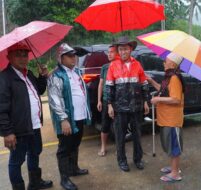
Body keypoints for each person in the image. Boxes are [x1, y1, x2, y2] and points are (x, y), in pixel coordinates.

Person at [0, 42, 53, 190]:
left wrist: (42, 77)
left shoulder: (28, 74)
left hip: (34, 125)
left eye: (25, 55)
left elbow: (39, 91)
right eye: (18, 55)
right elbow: (1, 108)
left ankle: (35, 183)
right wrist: (7, 132)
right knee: (16, 161)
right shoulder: (5, 78)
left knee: (35, 152)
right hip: (18, 129)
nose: (23, 58)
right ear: (8, 57)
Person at [47, 43, 91, 190]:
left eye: (75, 55)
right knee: (64, 148)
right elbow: (54, 99)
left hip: (79, 117)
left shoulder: (76, 72)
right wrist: (63, 119)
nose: (74, 58)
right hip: (67, 119)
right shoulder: (56, 75)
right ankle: (64, 179)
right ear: (61, 58)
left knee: (75, 144)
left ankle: (74, 169)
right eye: (70, 55)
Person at [106, 36, 149, 172]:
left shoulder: (137, 64)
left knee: (137, 135)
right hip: (119, 108)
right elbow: (109, 87)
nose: (123, 52)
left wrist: (146, 101)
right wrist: (109, 105)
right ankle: (122, 161)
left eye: (125, 49)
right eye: (120, 49)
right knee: (120, 136)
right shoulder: (113, 66)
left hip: (136, 107)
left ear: (130, 49)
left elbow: (144, 84)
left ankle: (138, 159)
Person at [148, 52, 184, 182]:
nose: (164, 63)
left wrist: (157, 99)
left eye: (166, 61)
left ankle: (175, 173)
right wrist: (152, 81)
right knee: (169, 144)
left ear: (173, 64)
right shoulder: (169, 77)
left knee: (174, 146)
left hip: (172, 119)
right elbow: (163, 91)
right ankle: (173, 167)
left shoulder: (174, 78)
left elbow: (176, 99)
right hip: (166, 118)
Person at [97, 45, 118, 156]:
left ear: (117, 53)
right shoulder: (105, 67)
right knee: (105, 124)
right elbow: (101, 84)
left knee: (118, 125)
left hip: (118, 101)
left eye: (112, 52)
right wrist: (99, 100)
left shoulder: (121, 66)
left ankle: (119, 148)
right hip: (106, 100)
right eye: (108, 52)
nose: (109, 54)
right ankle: (103, 147)